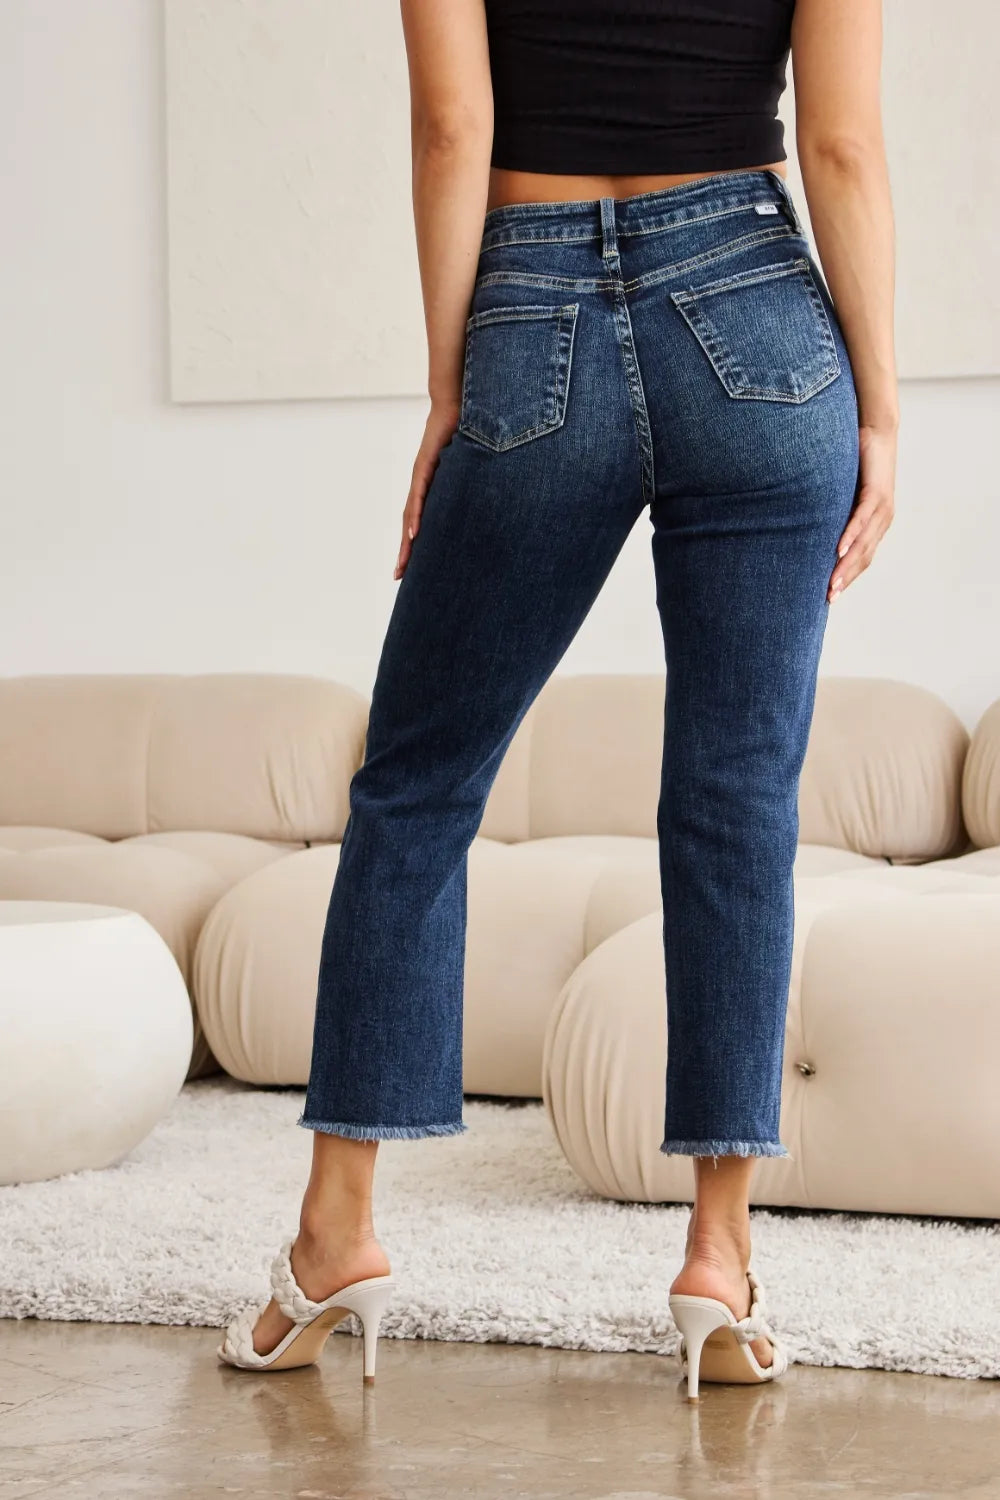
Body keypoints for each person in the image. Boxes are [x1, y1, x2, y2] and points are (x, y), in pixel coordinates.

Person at [218, 0, 897, 1395]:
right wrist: (880, 410)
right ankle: (719, 1257)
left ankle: (336, 1232)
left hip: (533, 307)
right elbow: (840, 144)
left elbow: (450, 125)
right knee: (734, 800)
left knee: (417, 786)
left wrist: (451, 384)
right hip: (761, 318)